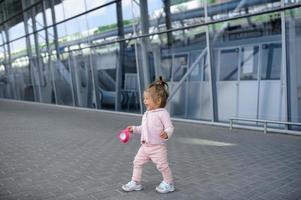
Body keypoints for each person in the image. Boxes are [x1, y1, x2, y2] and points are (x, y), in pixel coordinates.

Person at [121, 76, 175, 194]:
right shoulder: (146, 114)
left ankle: (169, 183)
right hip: (145, 147)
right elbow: (144, 129)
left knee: (162, 166)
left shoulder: (162, 113)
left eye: (147, 99)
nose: (144, 101)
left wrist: (166, 134)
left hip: (157, 147)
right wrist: (134, 129)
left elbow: (170, 127)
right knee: (137, 162)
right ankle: (136, 182)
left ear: (158, 100)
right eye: (144, 98)